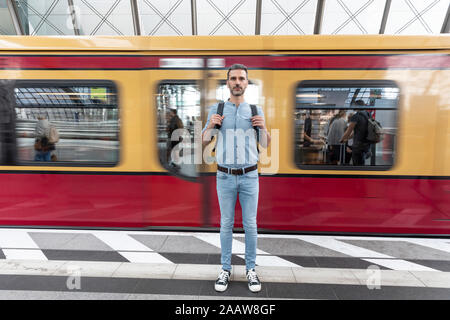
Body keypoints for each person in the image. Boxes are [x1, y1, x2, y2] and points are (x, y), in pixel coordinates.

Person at [202, 64, 271, 293]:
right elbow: (203, 141)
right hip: (224, 176)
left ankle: (251, 269)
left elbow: (266, 143)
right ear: (228, 83)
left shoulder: (255, 109)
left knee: (250, 225)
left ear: (247, 83)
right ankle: (225, 269)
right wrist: (211, 124)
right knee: (226, 224)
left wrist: (264, 129)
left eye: (242, 78)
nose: (237, 82)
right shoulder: (218, 108)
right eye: (233, 78)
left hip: (250, 175)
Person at [340, 100, 370, 165]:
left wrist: (342, 139)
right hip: (366, 145)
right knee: (361, 164)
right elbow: (356, 131)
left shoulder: (356, 116)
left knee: (357, 165)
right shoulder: (367, 114)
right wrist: (347, 138)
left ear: (357, 106)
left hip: (358, 146)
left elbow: (349, 131)